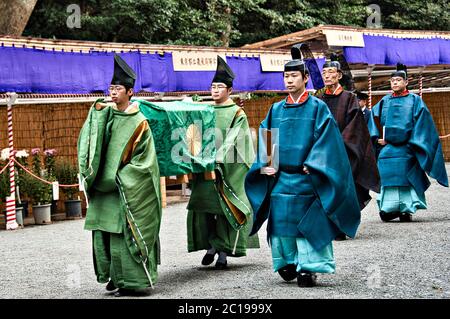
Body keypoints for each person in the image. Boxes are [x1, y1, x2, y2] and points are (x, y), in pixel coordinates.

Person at [245, 45, 360, 287]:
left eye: (294, 76)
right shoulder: (276, 109)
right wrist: (266, 164)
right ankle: (286, 261)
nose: (289, 80)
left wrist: (315, 163)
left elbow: (327, 139)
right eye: (286, 76)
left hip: (307, 177)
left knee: (308, 221)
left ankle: (309, 266)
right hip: (281, 177)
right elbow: (267, 134)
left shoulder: (318, 108)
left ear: (305, 78)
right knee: (281, 222)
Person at [78, 54, 162, 297]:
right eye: (111, 88)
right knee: (103, 235)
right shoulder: (105, 115)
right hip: (102, 191)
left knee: (123, 237)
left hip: (125, 189)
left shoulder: (140, 123)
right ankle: (114, 277)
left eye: (118, 89)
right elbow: (90, 142)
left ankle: (131, 281)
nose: (113, 93)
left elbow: (145, 163)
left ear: (130, 92)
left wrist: (122, 178)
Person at [187, 56, 259, 269]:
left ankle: (224, 251)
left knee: (226, 207)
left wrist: (219, 159)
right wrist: (195, 157)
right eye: (212, 87)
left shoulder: (237, 112)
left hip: (227, 168)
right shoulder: (204, 110)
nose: (215, 90)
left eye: (220, 87)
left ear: (230, 90)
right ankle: (211, 244)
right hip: (205, 167)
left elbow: (236, 138)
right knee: (207, 207)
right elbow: (194, 133)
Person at [368, 63, 448, 222]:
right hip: (388, 147)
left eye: (398, 80)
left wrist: (414, 141)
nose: (395, 83)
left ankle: (406, 208)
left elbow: (424, 124)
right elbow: (370, 118)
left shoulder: (415, 100)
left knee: (407, 173)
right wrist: (376, 138)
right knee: (385, 171)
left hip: (408, 147)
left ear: (406, 82)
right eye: (392, 81)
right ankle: (388, 208)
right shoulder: (385, 100)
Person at [318, 55, 380, 239]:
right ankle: (326, 225)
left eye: (331, 72)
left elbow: (355, 127)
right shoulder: (319, 99)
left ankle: (342, 225)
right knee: (324, 188)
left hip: (344, 152)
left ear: (339, 75)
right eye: (324, 73)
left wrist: (337, 144)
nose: (327, 76)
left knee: (343, 188)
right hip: (322, 153)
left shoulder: (349, 98)